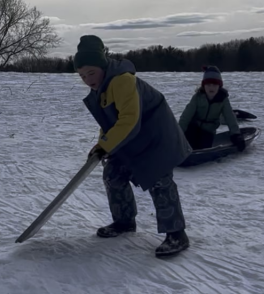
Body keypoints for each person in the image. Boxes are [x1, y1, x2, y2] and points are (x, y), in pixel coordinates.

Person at [74, 35, 191, 257]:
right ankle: (124, 221)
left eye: (91, 72)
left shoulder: (122, 80)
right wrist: (102, 145)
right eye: (82, 75)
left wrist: (105, 145)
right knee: (113, 174)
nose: (87, 79)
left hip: (156, 136)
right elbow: (110, 121)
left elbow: (128, 119)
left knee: (159, 180)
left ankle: (177, 233)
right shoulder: (101, 87)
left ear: (102, 66)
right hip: (131, 137)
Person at [179, 66, 245, 151]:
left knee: (203, 147)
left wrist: (236, 135)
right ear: (204, 86)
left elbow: (230, 117)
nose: (211, 87)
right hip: (193, 128)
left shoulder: (223, 99)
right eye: (208, 84)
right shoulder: (197, 97)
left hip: (208, 131)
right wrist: (178, 134)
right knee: (189, 142)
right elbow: (186, 116)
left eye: (214, 84)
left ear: (219, 86)